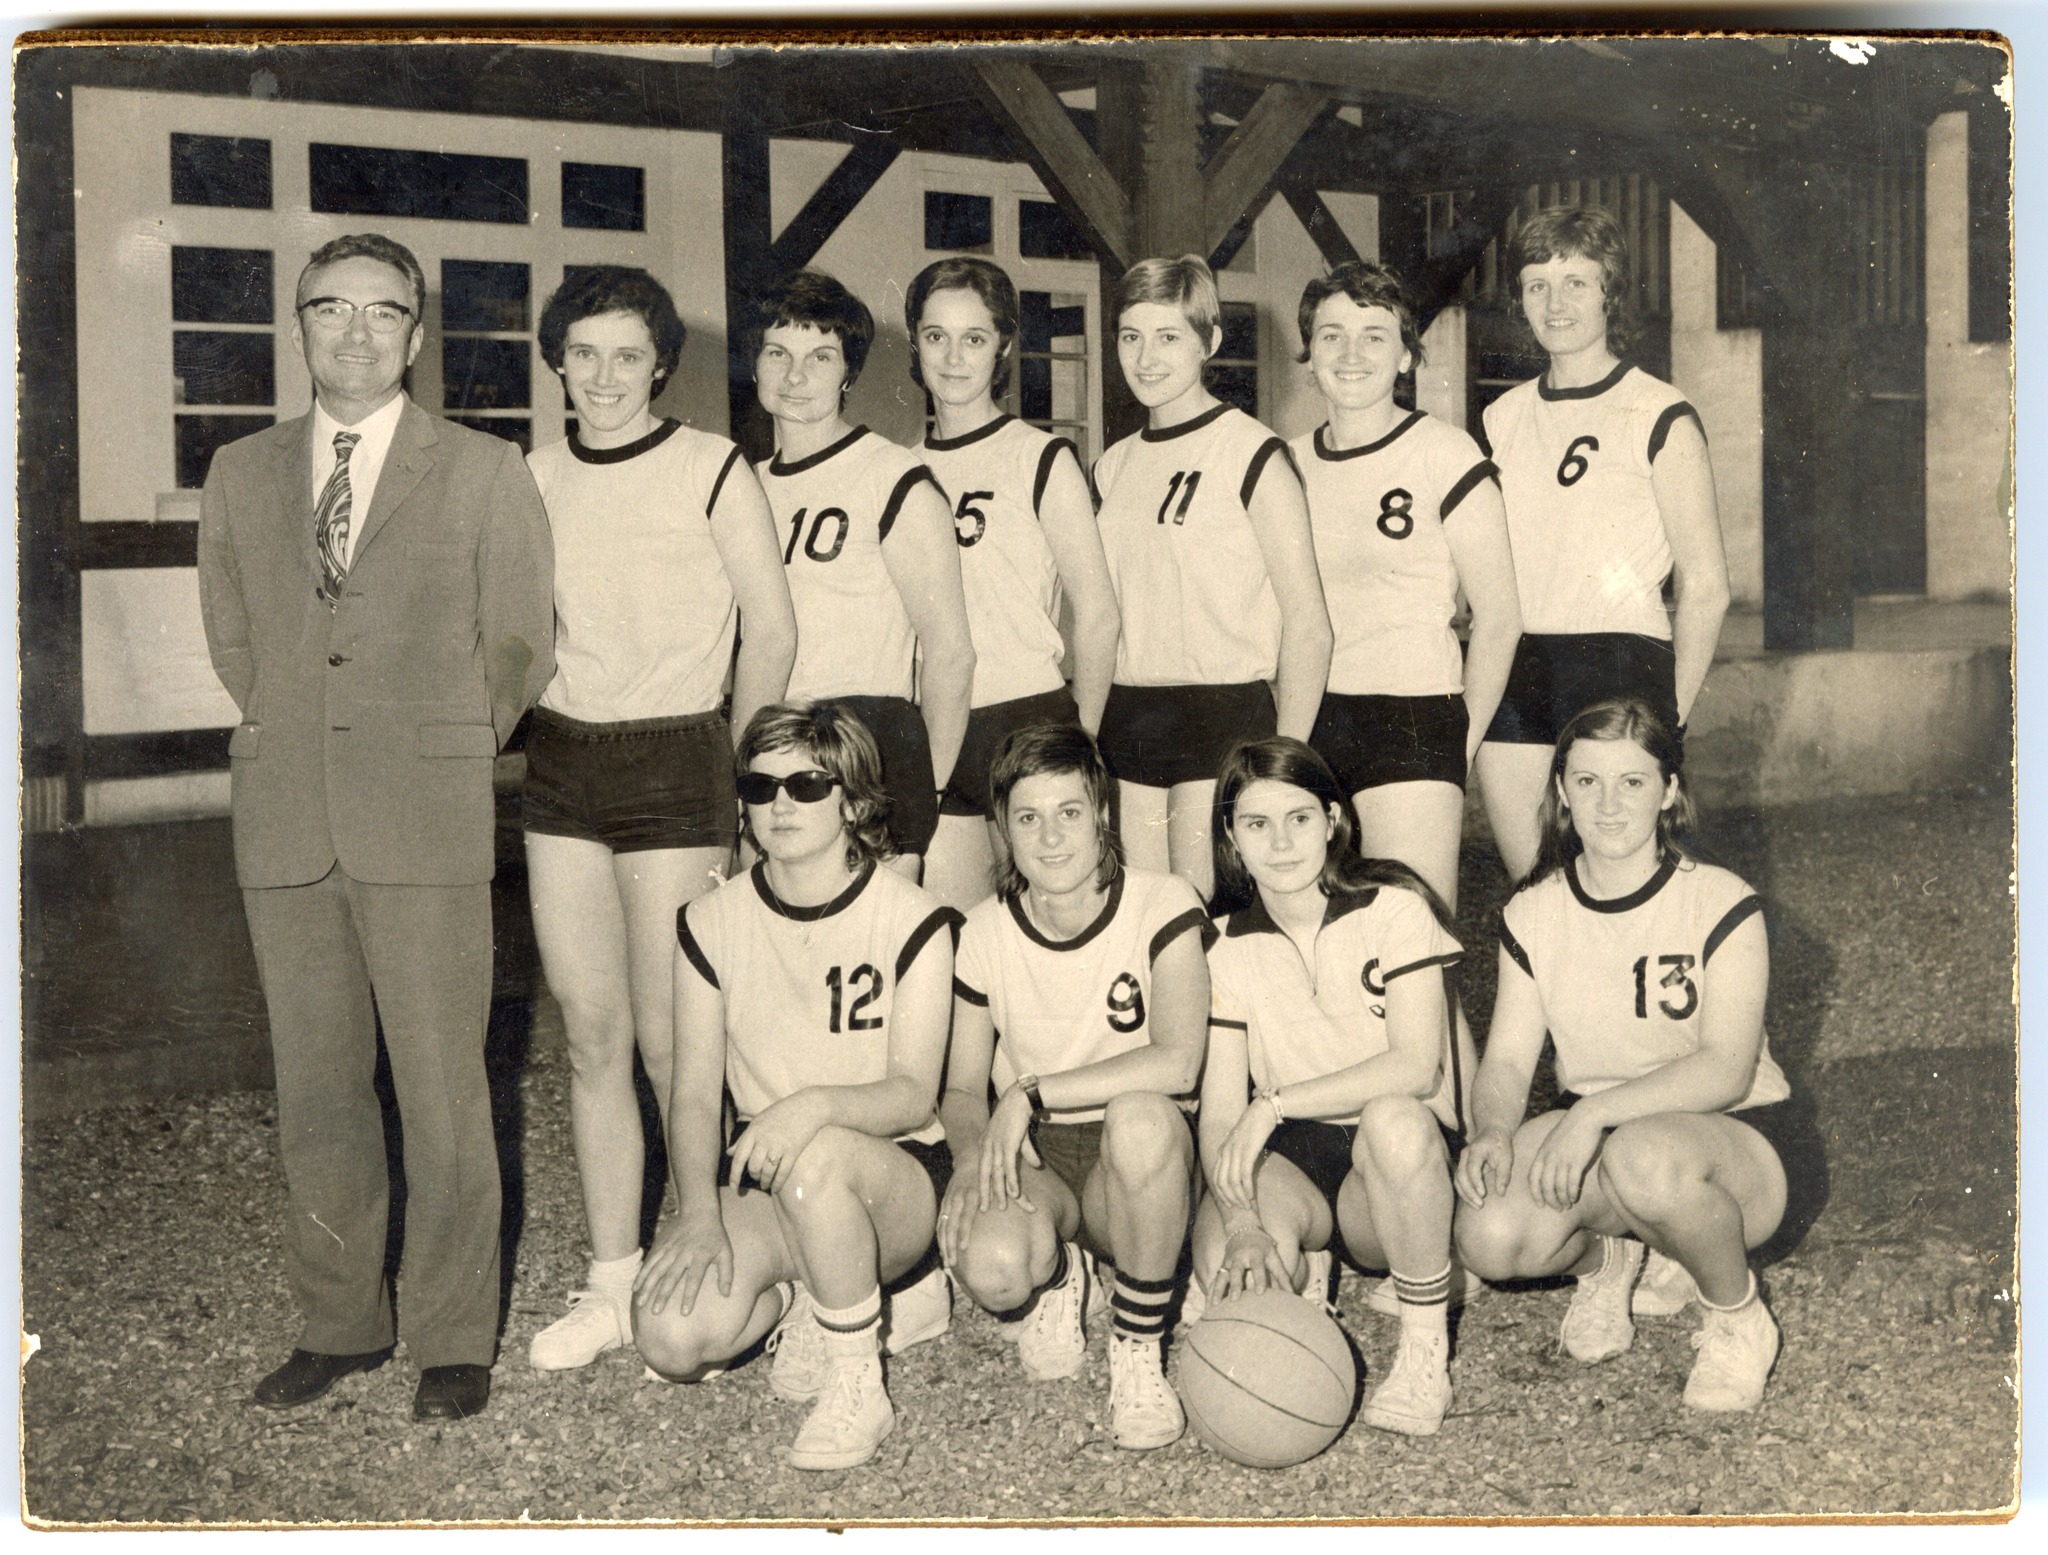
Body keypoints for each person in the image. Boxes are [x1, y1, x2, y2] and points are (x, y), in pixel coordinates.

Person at [197, 232, 555, 1422]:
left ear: (416, 333)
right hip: (289, 820)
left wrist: (443, 739)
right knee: (316, 1090)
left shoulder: (484, 469)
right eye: (329, 310)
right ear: (296, 326)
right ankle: (340, 1320)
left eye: (381, 313)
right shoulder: (240, 471)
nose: (355, 333)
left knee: (446, 1090)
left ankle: (453, 1334)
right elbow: (236, 638)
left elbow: (518, 647)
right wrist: (303, 731)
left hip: (426, 816)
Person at [520, 266, 797, 1372]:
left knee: (670, 1037)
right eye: (581, 353)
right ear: (556, 362)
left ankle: (716, 1256)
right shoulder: (531, 475)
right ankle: (610, 1278)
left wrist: (729, 772)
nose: (602, 376)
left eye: (625, 354)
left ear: (660, 365)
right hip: (563, 762)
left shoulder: (710, 465)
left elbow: (769, 633)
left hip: (680, 757)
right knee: (589, 1035)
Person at [633, 702, 960, 1471]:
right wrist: (698, 1211)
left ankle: (858, 1380)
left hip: (891, 1178)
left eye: (808, 785)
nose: (780, 804)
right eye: (761, 784)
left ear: (851, 800)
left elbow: (915, 1093)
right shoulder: (710, 919)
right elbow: (691, 1095)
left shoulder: (912, 915)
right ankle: (813, 1298)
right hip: (768, 1177)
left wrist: (809, 1106)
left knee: (817, 1156)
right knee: (672, 1338)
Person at [1453, 699, 1802, 1413]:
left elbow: (1726, 1068)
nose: (1608, 804)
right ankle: (1612, 1257)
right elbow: (1510, 1062)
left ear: (1669, 790)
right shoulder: (1534, 911)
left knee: (1640, 1156)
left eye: (1633, 782)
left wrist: (1592, 1118)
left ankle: (1738, 1317)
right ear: (1561, 790)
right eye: (1587, 782)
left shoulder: (1721, 900)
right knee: (1488, 1234)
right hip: (1609, 1132)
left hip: (1735, 1141)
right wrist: (1491, 1129)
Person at [939, 724, 1209, 1451]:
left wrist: (1030, 1090)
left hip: (1138, 1156)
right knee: (994, 1267)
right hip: (1042, 1158)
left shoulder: (1163, 900)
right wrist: (974, 1159)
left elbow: (1180, 1060)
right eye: (1028, 817)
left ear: (1104, 815)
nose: (1051, 837)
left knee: (1142, 1119)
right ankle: (1062, 1274)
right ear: (1002, 828)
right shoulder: (983, 929)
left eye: (1069, 812)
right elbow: (962, 1089)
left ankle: (1136, 1343)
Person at [1195, 737, 1472, 1438]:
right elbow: (1223, 1111)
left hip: (1390, 1163)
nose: (1281, 842)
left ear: (1333, 819)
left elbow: (1417, 1066)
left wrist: (1275, 1103)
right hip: (1299, 1154)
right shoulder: (1224, 943)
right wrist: (1244, 1224)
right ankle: (1306, 1264)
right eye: (1256, 824)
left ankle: (1422, 1348)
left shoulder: (1395, 904)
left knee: (1392, 1118)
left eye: (1298, 818)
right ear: (1230, 836)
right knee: (1228, 1280)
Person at [1473, 205, 1732, 883]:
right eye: (1537, 285)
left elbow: (1706, 586)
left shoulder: (1659, 412)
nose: (1555, 304)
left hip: (1621, 662)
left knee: (1621, 890)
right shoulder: (1501, 418)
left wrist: (1666, 719)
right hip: (1519, 668)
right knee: (1537, 893)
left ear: (1611, 292)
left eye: (1577, 284)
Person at [1092, 255, 1332, 900]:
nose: (1146, 358)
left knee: (1207, 926)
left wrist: (1284, 765)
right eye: (1130, 337)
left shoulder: (1252, 452)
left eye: (1168, 337)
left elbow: (1310, 626)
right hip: (1132, 713)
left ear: (1210, 342)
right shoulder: (1112, 466)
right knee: (1146, 921)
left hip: (1224, 713)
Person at [1290, 261, 1521, 912]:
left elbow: (1501, 617)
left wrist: (1459, 743)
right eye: (1332, 335)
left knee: (1415, 945)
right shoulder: (1285, 463)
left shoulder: (1445, 453)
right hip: (1313, 718)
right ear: (1309, 357)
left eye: (1374, 334)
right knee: (1328, 942)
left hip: (1414, 715)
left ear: (1406, 355)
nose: (1352, 353)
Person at [905, 257, 1121, 910]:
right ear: (915, 341)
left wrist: (1076, 742)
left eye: (974, 338)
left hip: (1026, 718)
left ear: (1002, 346)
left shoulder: (1040, 456)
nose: (952, 357)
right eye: (936, 335)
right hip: (932, 728)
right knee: (954, 944)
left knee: (1054, 937)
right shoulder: (897, 466)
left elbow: (1099, 616)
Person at [750, 269, 976, 879]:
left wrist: (921, 793)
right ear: (754, 364)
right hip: (775, 748)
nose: (796, 376)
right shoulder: (746, 486)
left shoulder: (893, 478)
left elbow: (951, 654)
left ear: (848, 372)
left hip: (868, 746)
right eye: (778, 353)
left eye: (820, 357)